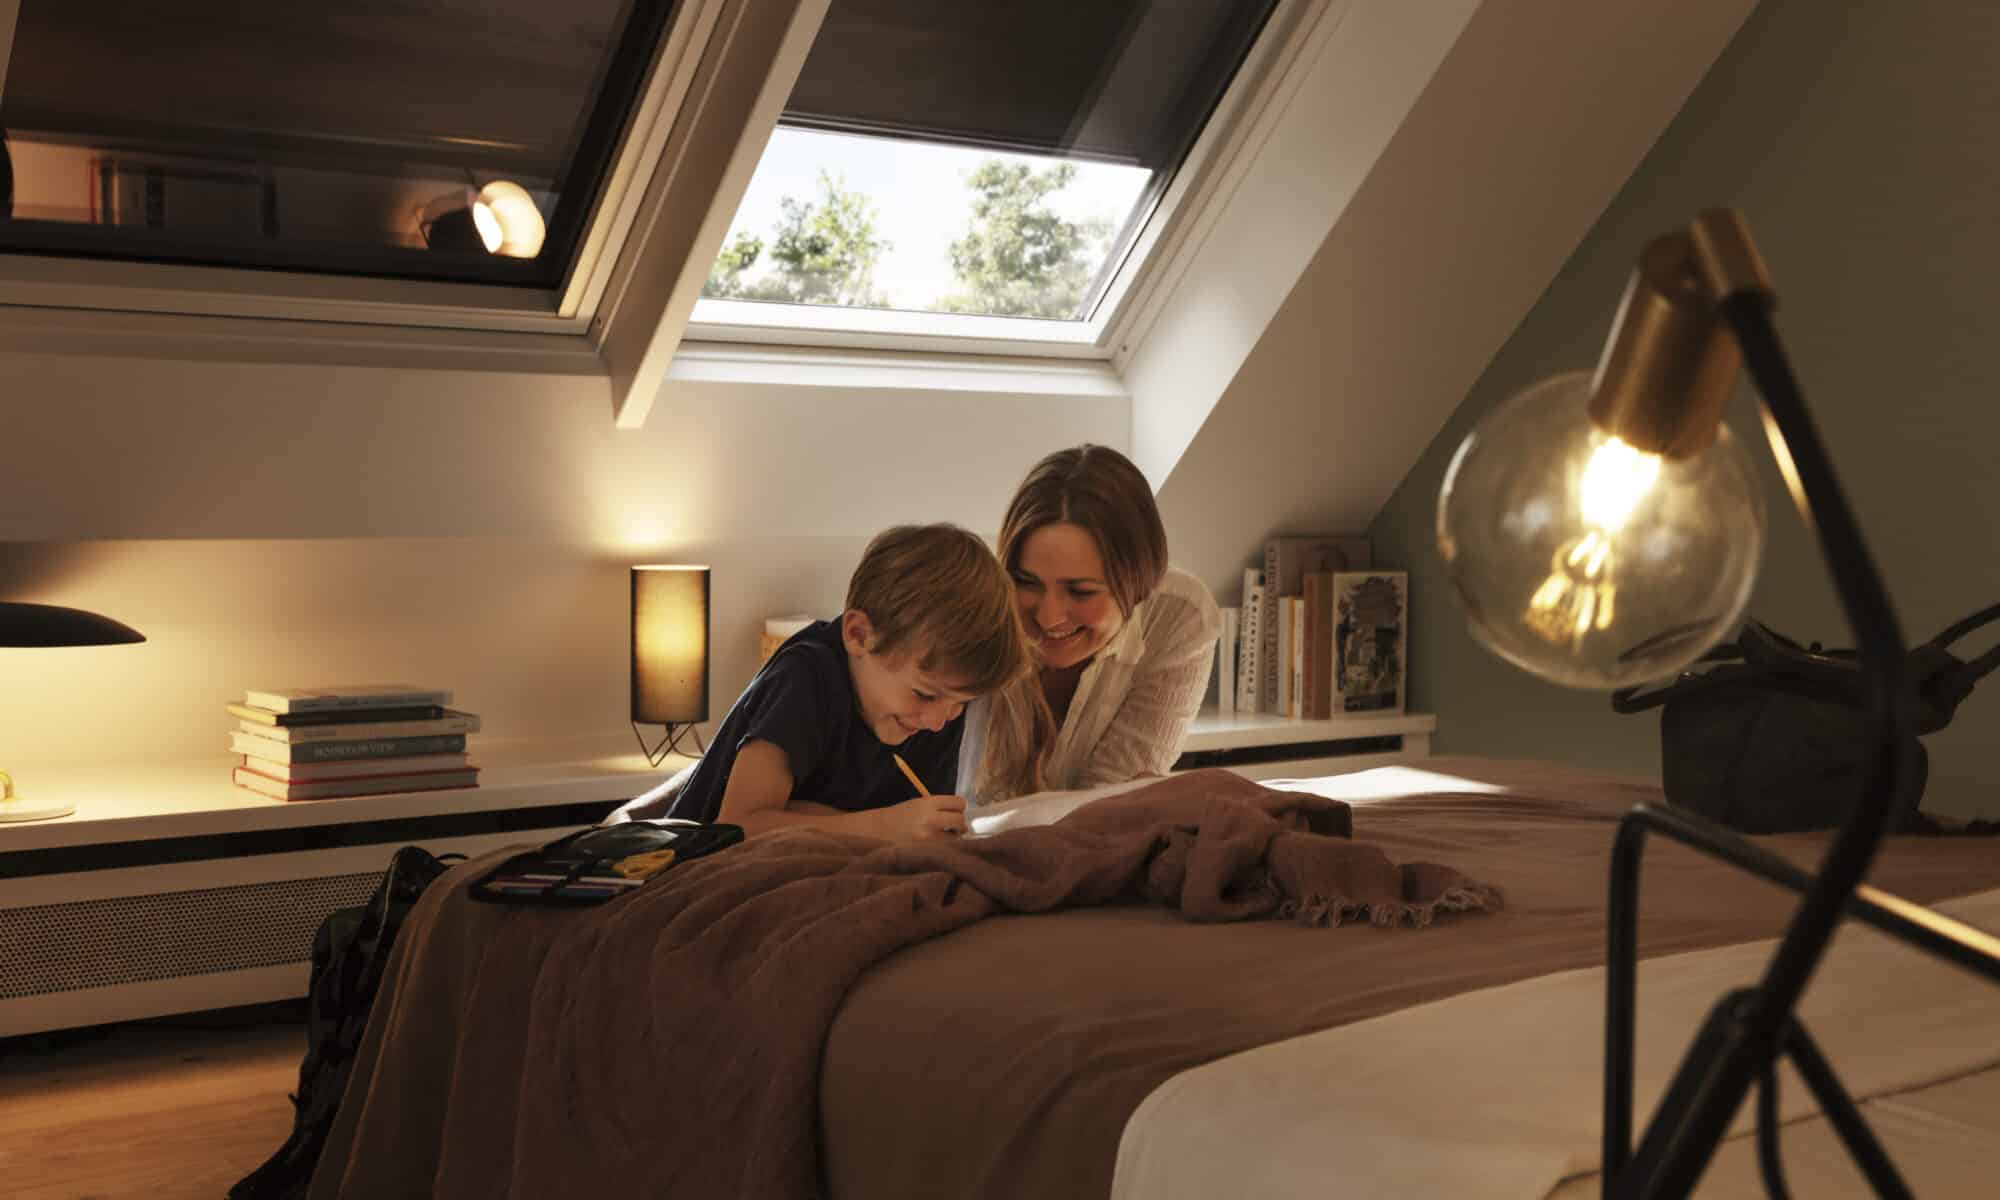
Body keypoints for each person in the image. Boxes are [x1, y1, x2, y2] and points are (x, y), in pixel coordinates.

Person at [606, 524, 1031, 842]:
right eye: (925, 694)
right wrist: (883, 825)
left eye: (960, 705)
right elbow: (740, 826)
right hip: (689, 866)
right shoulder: (806, 676)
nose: (940, 722)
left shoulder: (935, 709)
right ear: (859, 635)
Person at [962, 445, 1221, 803]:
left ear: (1137, 584)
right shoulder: (971, 610)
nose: (1049, 617)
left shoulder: (1180, 616)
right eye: (1027, 582)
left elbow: (1111, 798)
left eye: (1081, 592)